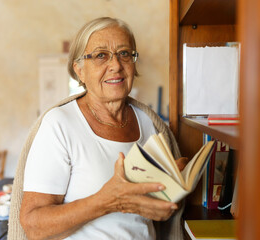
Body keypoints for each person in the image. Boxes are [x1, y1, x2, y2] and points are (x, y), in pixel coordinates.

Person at [18, 17, 186, 240]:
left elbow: (147, 216)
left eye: (124, 53)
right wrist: (106, 201)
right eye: (100, 55)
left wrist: (170, 192)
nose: (116, 65)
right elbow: (33, 226)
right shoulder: (59, 124)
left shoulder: (148, 123)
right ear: (79, 70)